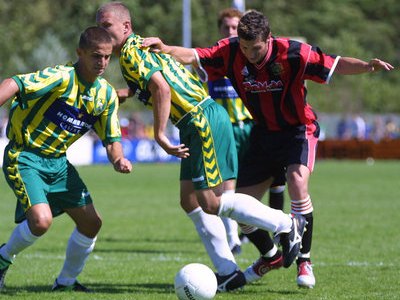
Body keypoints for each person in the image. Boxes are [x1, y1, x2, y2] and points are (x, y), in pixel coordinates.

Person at [142, 9, 394, 289]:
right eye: (246, 47)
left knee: (297, 182)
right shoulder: (232, 50)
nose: (250, 53)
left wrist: (367, 67)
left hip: (299, 130)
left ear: (269, 39)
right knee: (236, 204)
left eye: (256, 48)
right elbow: (195, 55)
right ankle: (270, 256)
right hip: (263, 134)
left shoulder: (294, 52)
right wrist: (165, 49)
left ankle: (304, 261)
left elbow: (334, 64)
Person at [96, 2, 306, 293]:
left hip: (200, 119)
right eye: (99, 27)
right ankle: (230, 269)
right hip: (198, 120)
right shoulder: (136, 51)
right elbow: (153, 82)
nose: (102, 32)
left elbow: (162, 88)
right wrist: (124, 93)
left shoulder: (131, 53)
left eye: (107, 26)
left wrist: (159, 134)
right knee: (190, 200)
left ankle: (286, 223)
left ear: (126, 27)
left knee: (211, 201)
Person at [0, 26, 132, 292]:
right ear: (79, 53)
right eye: (96, 56)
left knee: (91, 223)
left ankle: (66, 283)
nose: (102, 63)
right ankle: (3, 258)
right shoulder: (61, 77)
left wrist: (118, 159)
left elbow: (111, 137)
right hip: (25, 156)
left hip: (59, 164)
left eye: (107, 57)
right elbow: (15, 82)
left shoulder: (105, 94)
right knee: (41, 221)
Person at [209, 7, 287, 259]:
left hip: (252, 127)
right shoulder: (219, 57)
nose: (231, 31)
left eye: (235, 27)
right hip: (226, 130)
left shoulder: (251, 57)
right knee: (228, 187)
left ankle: (277, 231)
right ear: (220, 30)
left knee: (276, 176)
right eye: (226, 28)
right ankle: (234, 238)